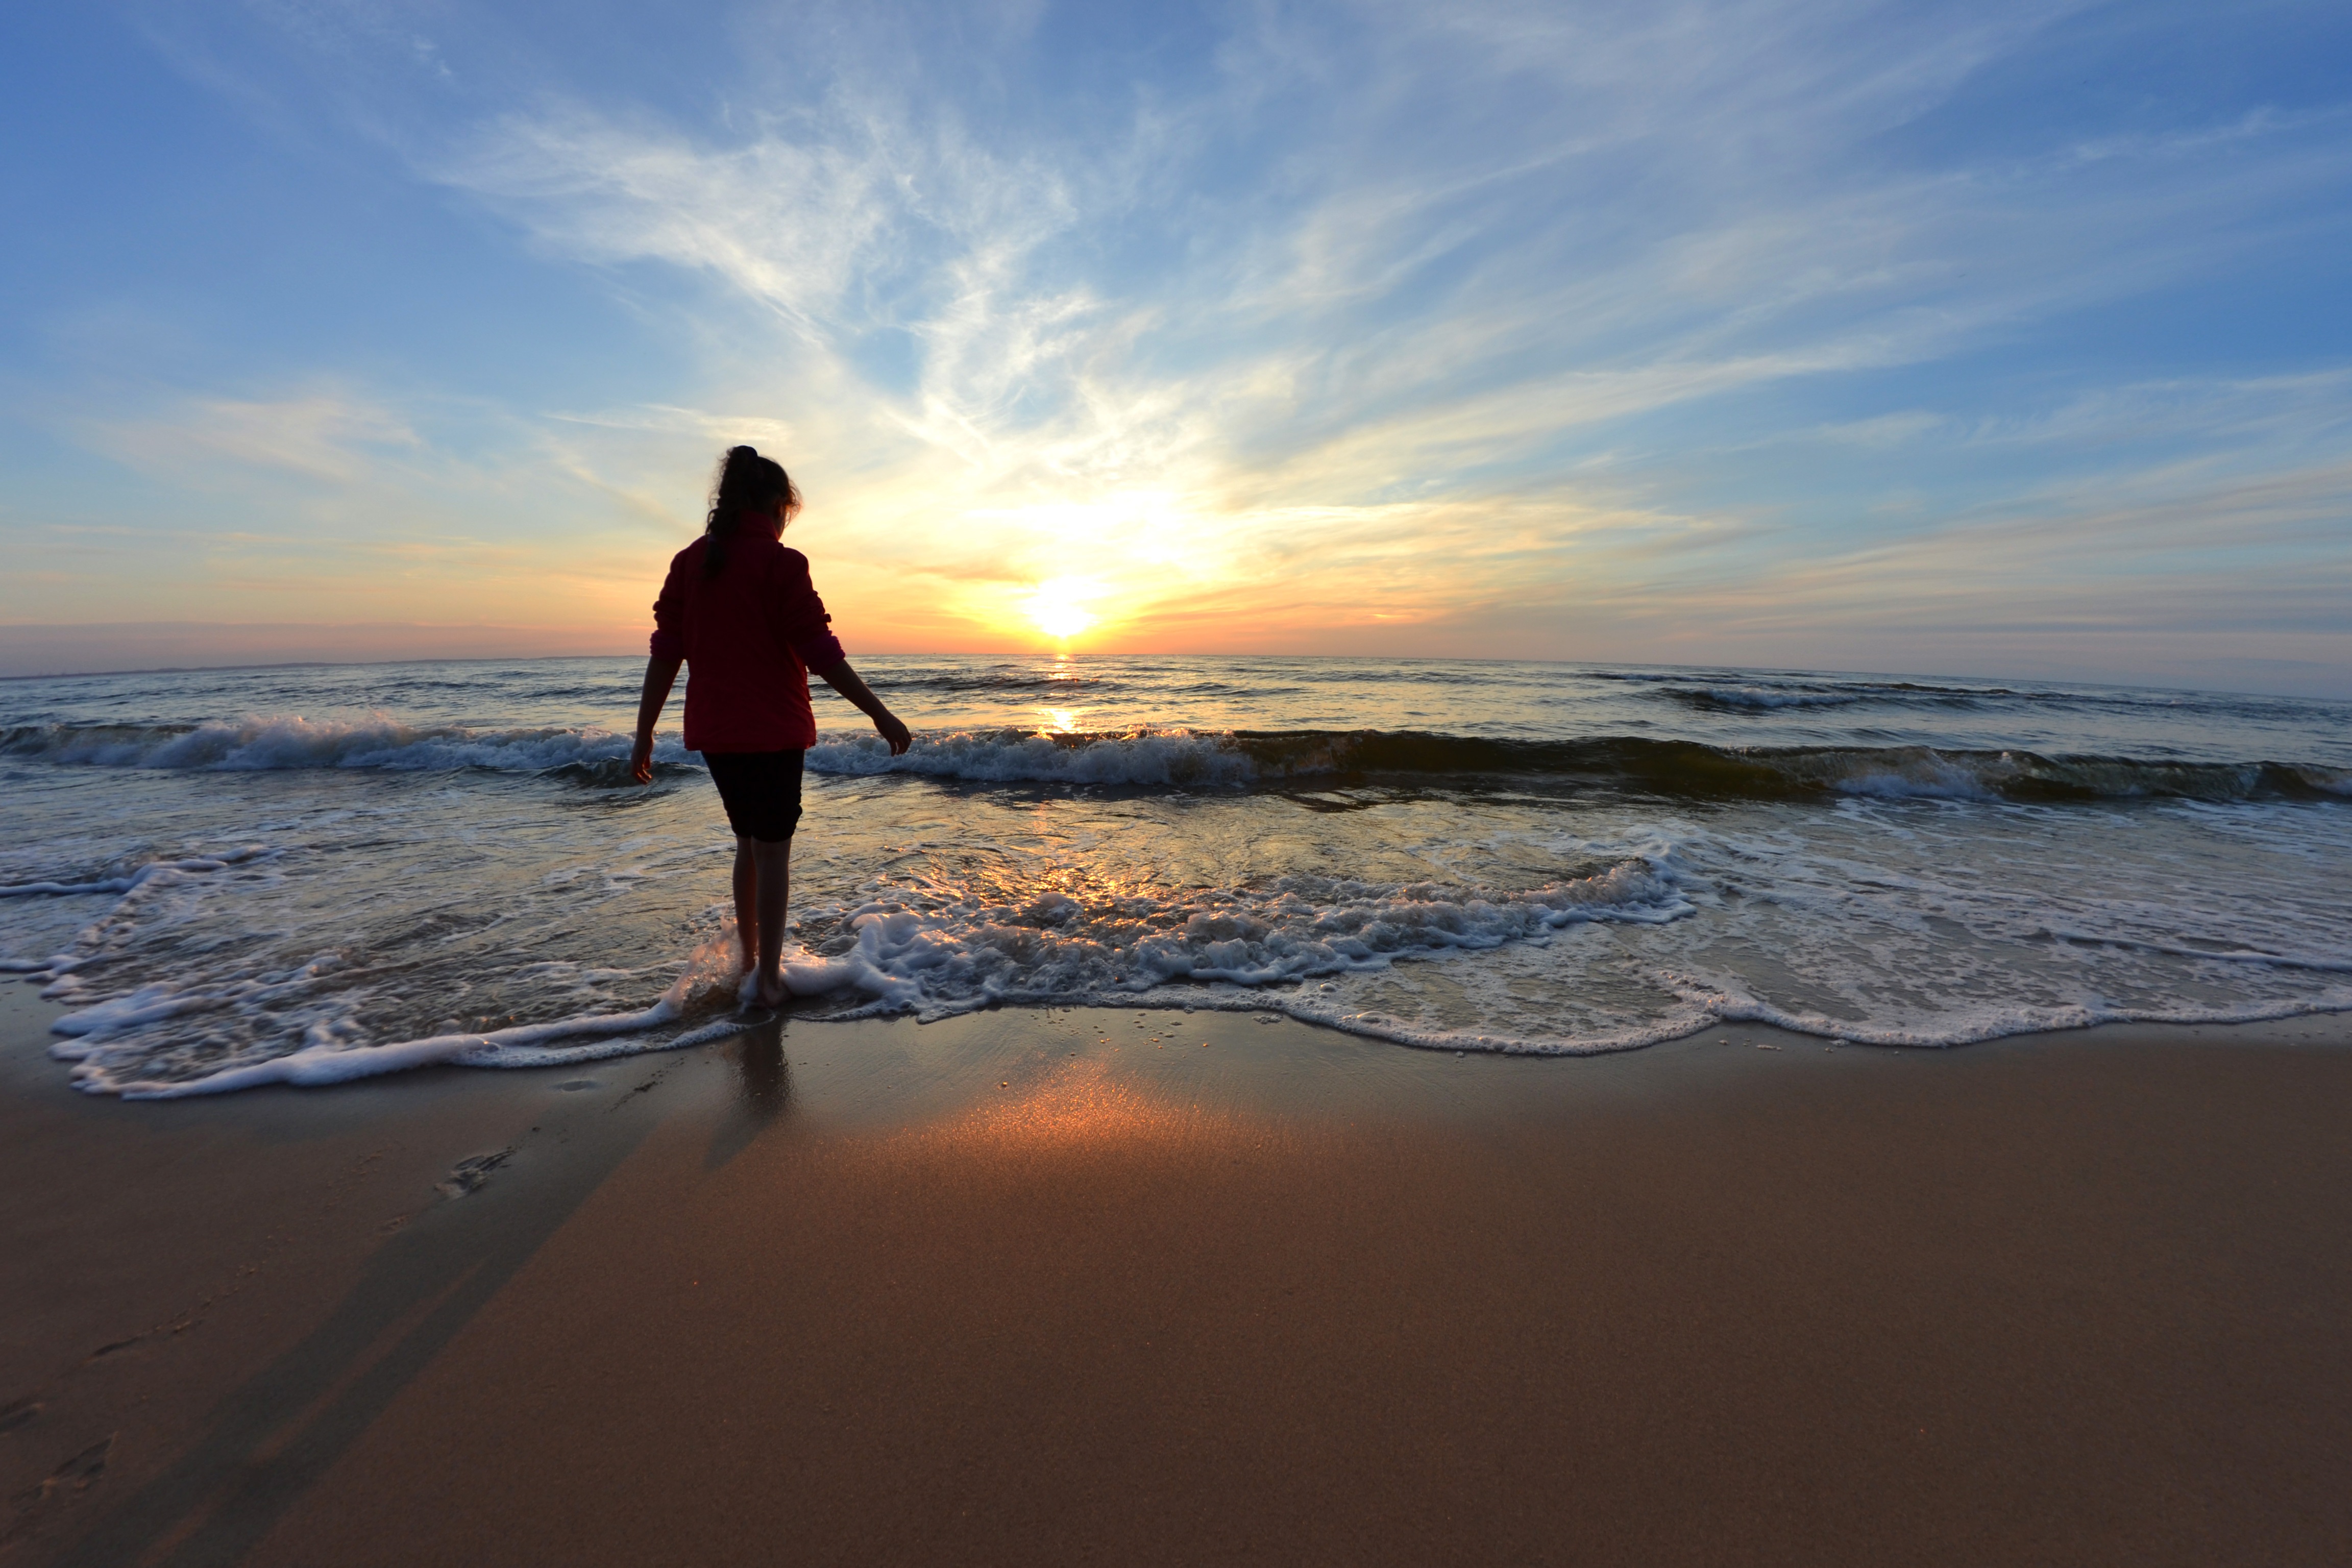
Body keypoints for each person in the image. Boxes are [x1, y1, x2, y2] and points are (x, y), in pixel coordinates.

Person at [629, 445, 911, 1008]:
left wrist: (644, 733)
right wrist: (879, 712)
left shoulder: (690, 562)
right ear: (776, 506)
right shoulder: (783, 565)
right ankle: (771, 981)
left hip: (716, 733)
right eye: (786, 510)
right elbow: (819, 650)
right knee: (772, 851)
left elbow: (667, 652)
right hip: (775, 731)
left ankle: (753, 961)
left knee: (748, 842)